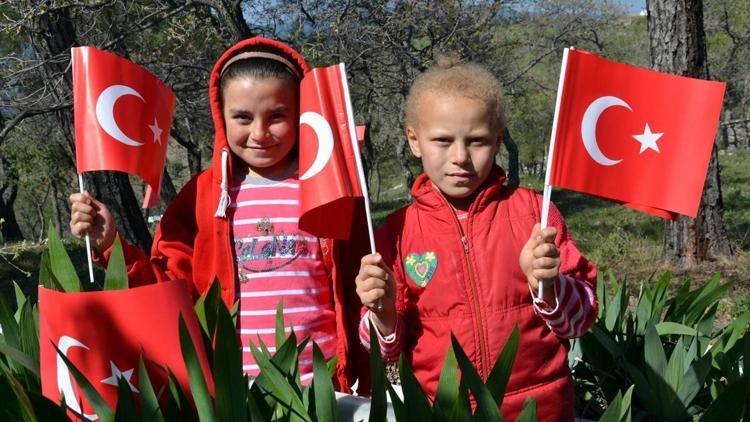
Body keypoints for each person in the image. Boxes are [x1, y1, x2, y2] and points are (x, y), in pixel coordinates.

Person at [69, 37, 370, 391]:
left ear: (301, 112)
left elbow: (359, 288)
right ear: (220, 116)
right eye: (242, 117)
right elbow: (168, 293)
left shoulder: (330, 186)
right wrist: (110, 245)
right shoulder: (200, 197)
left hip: (323, 389)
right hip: (235, 393)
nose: (259, 133)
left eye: (277, 116)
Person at [355, 58, 597, 420]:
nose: (460, 157)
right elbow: (385, 351)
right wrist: (383, 313)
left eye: (478, 141)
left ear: (498, 140)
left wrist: (549, 286)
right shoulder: (396, 233)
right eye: (442, 140)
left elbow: (582, 319)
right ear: (414, 141)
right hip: (445, 411)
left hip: (538, 410)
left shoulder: (535, 216)